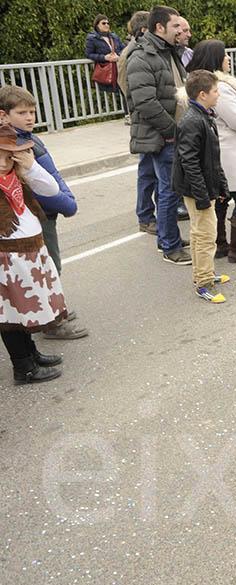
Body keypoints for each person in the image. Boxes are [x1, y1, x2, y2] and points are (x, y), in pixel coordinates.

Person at [0, 86, 88, 341]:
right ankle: (50, 323)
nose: (29, 117)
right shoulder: (12, 146)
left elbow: (51, 176)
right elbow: (34, 186)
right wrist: (64, 202)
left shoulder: (28, 137)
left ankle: (53, 310)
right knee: (45, 269)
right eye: (22, 112)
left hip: (45, 215)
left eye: (32, 112)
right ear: (4, 115)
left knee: (48, 266)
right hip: (37, 217)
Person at [186, 40, 236, 265]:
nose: (229, 58)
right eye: (225, 55)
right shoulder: (219, 88)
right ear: (215, 58)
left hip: (227, 152)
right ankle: (235, 248)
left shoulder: (208, 85)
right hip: (235, 154)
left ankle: (220, 243)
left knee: (222, 198)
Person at [0, 124, 66, 384]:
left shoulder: (17, 176)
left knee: (25, 309)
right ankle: (23, 367)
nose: (6, 162)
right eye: (1, 155)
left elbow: (51, 190)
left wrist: (30, 165)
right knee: (10, 314)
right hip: (7, 259)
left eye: (9, 156)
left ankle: (31, 354)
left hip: (29, 254)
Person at [125, 5, 190, 265]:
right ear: (159, 27)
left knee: (171, 190)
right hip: (163, 135)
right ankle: (170, 246)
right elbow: (145, 101)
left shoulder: (167, 52)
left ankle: (168, 236)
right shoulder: (142, 56)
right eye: (175, 26)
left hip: (172, 132)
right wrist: (171, 131)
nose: (181, 30)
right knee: (168, 191)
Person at [171, 69, 231, 303]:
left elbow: (212, 159)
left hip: (204, 185)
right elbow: (190, 162)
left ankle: (203, 274)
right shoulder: (193, 121)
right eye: (216, 91)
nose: (218, 95)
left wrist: (221, 185)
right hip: (197, 188)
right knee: (206, 235)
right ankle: (203, 283)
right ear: (203, 94)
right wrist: (202, 195)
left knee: (200, 233)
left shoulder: (204, 114)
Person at [85, 14, 126, 99]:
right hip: (109, 70)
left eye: (108, 23)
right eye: (103, 23)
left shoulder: (114, 36)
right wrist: (104, 57)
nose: (107, 25)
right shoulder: (92, 38)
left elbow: (124, 48)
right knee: (122, 93)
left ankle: (128, 111)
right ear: (97, 25)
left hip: (120, 67)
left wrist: (118, 56)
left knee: (126, 92)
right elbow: (89, 54)